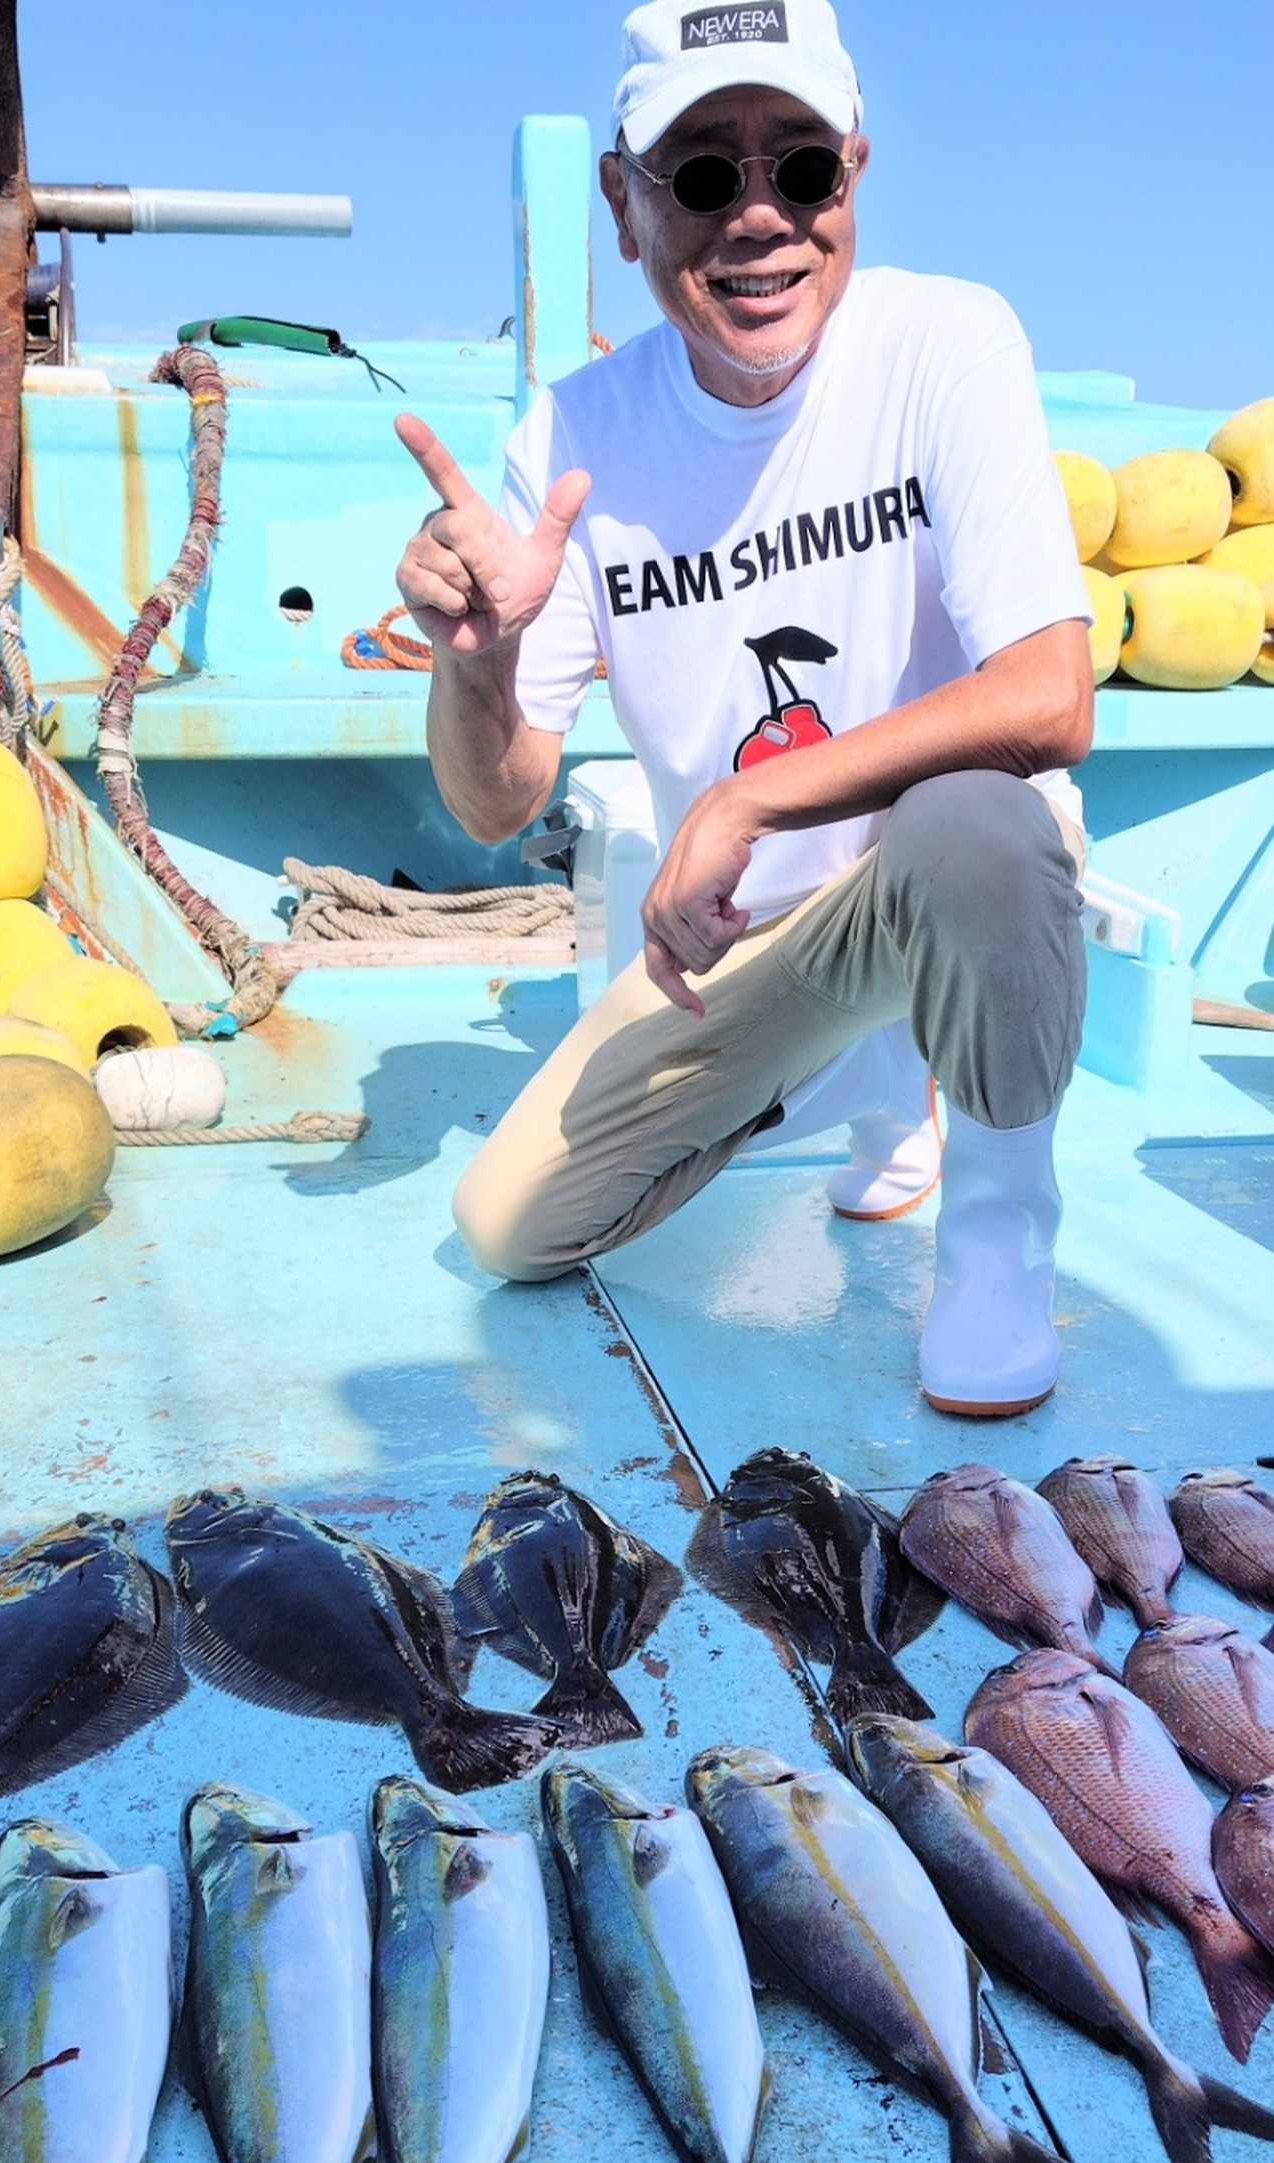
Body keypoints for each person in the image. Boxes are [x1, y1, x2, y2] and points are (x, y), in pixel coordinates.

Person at [402, 0, 1093, 1418]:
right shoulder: (574, 432)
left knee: (982, 818)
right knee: (508, 1229)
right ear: (624, 203)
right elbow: (496, 803)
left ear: (856, 168)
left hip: (941, 887)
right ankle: (867, 1082)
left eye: (802, 170)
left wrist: (750, 795)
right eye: (705, 176)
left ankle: (997, 1238)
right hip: (749, 949)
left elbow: (1049, 693)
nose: (760, 218)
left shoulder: (947, 341)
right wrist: (473, 656)